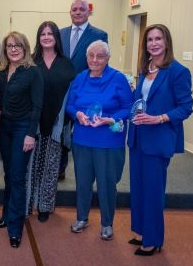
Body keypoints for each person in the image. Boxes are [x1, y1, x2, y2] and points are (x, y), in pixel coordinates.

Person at [128, 24, 193, 256]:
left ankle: (153, 240)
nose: (153, 43)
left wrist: (160, 118)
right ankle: (143, 231)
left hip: (158, 139)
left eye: (158, 39)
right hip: (138, 137)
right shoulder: (145, 68)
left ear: (167, 42)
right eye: (149, 40)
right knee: (138, 188)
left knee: (153, 191)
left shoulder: (178, 71)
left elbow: (186, 108)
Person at [65, 40, 133, 241]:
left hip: (108, 142)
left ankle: (106, 223)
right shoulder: (79, 78)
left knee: (106, 184)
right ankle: (82, 218)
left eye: (100, 56)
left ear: (108, 58)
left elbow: (129, 108)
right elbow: (69, 104)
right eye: (91, 56)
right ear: (86, 58)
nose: (95, 60)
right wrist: (77, 114)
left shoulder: (118, 79)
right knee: (83, 182)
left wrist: (109, 119)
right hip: (82, 139)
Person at [0, 31, 42, 248]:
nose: (13, 49)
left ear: (25, 48)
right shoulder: (2, 71)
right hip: (4, 127)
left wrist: (31, 134)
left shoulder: (33, 72)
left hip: (23, 128)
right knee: (8, 174)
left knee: (17, 177)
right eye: (9, 46)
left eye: (18, 45)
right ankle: (6, 215)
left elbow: (37, 106)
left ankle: (15, 227)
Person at [25, 21, 76, 223]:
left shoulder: (66, 63)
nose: (46, 37)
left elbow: (72, 94)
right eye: (42, 33)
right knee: (30, 166)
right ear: (38, 37)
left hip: (57, 124)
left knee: (51, 166)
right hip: (32, 124)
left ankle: (45, 206)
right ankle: (28, 204)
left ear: (56, 37)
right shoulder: (30, 62)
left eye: (50, 33)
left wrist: (64, 119)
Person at [58, 0, 109, 181]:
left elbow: (101, 63)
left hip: (86, 90)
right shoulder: (60, 33)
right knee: (61, 128)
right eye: (74, 9)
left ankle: (87, 168)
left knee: (82, 127)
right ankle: (60, 166)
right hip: (61, 90)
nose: (78, 12)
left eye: (82, 9)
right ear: (70, 12)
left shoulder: (99, 35)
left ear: (89, 12)